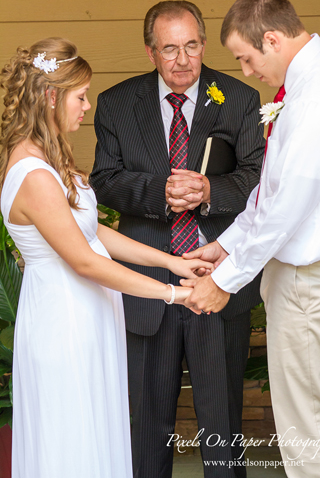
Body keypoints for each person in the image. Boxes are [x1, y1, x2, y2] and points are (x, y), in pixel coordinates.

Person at [0, 38, 211, 477]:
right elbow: (85, 261)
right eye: (80, 96)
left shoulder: (50, 157)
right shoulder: (33, 173)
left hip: (88, 319)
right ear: (51, 97)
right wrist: (172, 294)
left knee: (96, 437)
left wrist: (171, 261)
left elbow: (92, 233)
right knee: (72, 444)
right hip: (64, 323)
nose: (88, 105)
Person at [180, 0, 320, 478]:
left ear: (273, 39)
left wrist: (224, 280)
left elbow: (288, 210)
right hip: (307, 277)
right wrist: (225, 245)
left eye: (246, 57)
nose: (246, 72)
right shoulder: (311, 82)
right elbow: (272, 193)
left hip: (310, 280)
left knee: (311, 429)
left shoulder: (316, 98)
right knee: (308, 422)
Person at [89, 1, 264, 477]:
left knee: (221, 423)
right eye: (170, 49)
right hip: (147, 280)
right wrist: (159, 192)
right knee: (148, 423)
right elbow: (103, 178)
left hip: (217, 278)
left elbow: (260, 179)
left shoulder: (241, 99)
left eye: (191, 46)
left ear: (204, 45)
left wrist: (209, 190)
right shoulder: (117, 103)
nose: (183, 59)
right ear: (151, 53)